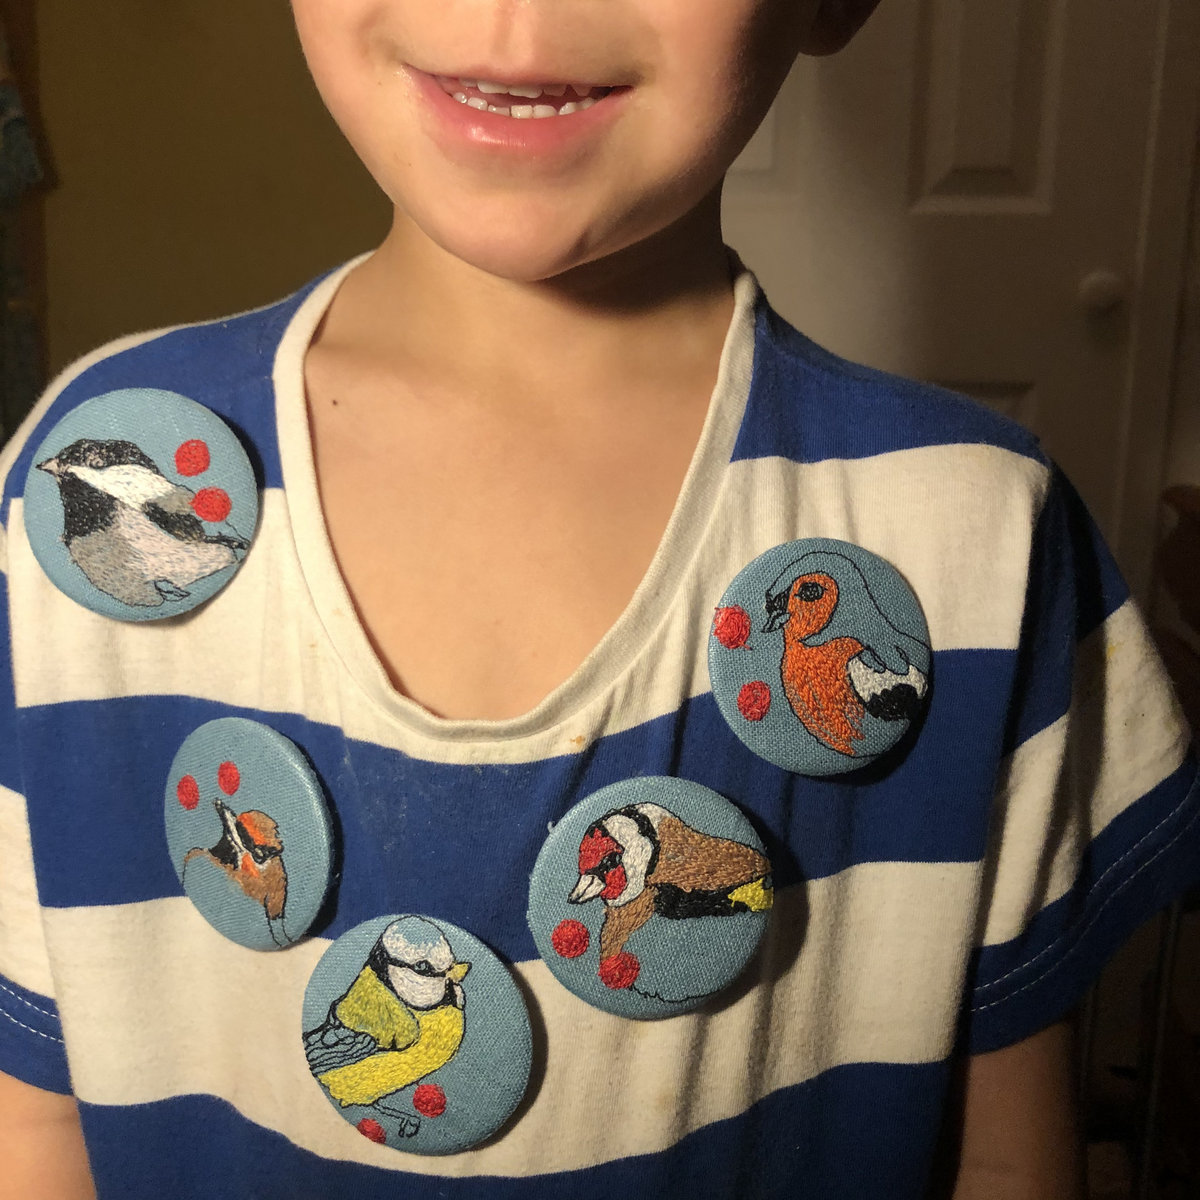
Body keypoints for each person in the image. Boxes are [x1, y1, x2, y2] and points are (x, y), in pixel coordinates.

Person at [0, 1, 1195, 1196]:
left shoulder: (980, 535)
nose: (516, 10)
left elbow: (1008, 1153)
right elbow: (35, 1124)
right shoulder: (71, 498)